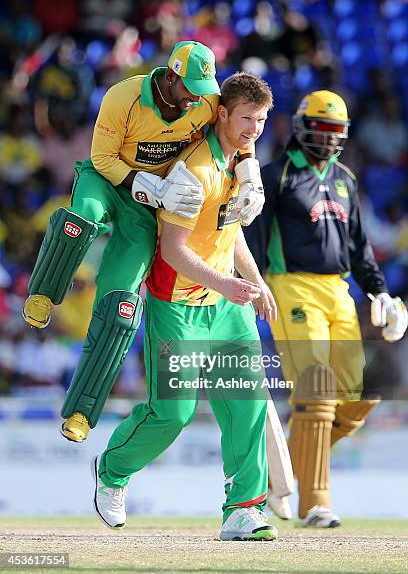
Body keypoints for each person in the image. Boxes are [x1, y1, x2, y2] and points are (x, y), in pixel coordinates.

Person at [22, 41, 266, 444]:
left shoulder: (206, 98)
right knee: (79, 222)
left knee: (121, 308)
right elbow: (102, 160)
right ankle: (44, 294)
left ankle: (82, 410)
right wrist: (150, 187)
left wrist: (249, 175)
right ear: (170, 77)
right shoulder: (123, 97)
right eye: (188, 87)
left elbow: (241, 132)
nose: (196, 99)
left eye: (203, 89)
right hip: (109, 181)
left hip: (146, 210)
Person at [91, 72, 280, 541]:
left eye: (260, 120)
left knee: (247, 403)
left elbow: (228, 230)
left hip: (226, 302)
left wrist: (256, 282)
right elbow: (174, 249)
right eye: (246, 119)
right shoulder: (194, 170)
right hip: (177, 303)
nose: (253, 129)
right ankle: (112, 471)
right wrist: (227, 283)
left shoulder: (240, 160)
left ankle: (244, 509)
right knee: (171, 414)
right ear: (221, 114)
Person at [245, 90, 408, 527]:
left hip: (340, 291)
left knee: (354, 395)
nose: (330, 138)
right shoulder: (275, 176)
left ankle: (283, 459)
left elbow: (359, 246)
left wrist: (379, 292)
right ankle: (314, 502)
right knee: (315, 388)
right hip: (291, 286)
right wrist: (253, 288)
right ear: (302, 127)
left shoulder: (346, 181)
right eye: (322, 128)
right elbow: (254, 242)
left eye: (337, 130)